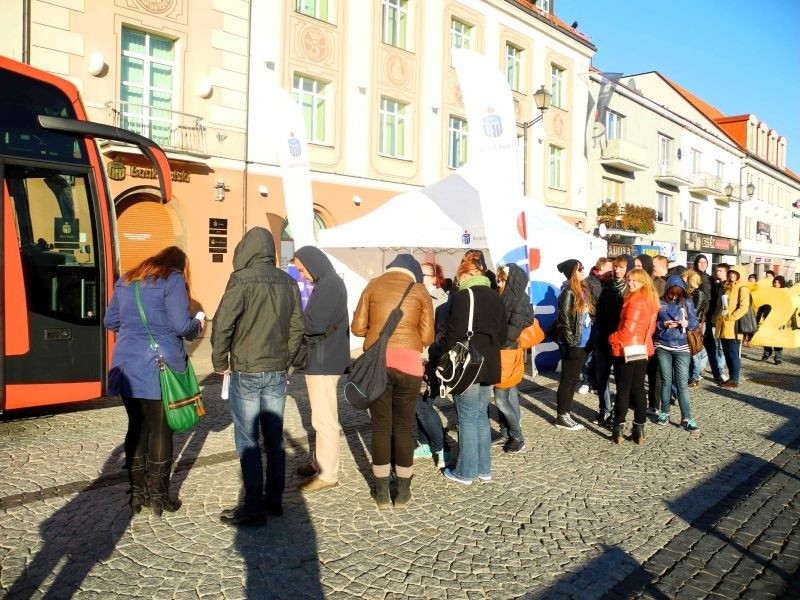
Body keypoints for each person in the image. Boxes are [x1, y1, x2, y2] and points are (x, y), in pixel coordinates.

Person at [211, 227, 304, 525]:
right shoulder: (289, 283)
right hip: (276, 371)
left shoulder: (241, 280)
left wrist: (219, 360)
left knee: (248, 439)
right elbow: (297, 330)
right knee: (273, 438)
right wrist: (286, 364)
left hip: (247, 369)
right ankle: (274, 500)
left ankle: (253, 507)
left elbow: (223, 324)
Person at [104, 246, 203, 517]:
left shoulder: (126, 279)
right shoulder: (172, 280)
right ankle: (159, 498)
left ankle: (137, 495)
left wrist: (133, 332)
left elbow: (109, 321)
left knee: (137, 426)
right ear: (179, 266)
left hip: (126, 363)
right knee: (161, 429)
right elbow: (182, 326)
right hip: (159, 365)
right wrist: (198, 325)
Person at [351, 254, 434, 508]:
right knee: (403, 426)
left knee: (380, 427)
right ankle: (404, 492)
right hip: (409, 366)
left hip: (379, 365)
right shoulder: (420, 291)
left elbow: (357, 328)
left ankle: (382, 492)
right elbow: (428, 336)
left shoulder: (373, 284)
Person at [442, 260, 507, 485]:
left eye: (459, 277)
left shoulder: (464, 296)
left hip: (468, 365)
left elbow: (453, 333)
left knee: (467, 417)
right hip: (490, 364)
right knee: (480, 416)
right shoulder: (496, 296)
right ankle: (484, 469)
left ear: (464, 275)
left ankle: (466, 472)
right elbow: (504, 334)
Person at [291, 246, 350, 493]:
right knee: (320, 417)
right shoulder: (329, 282)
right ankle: (318, 462)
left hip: (324, 361)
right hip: (325, 358)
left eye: (303, 270)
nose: (303, 276)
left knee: (324, 419)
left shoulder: (329, 284)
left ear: (312, 263)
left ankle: (327, 474)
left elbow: (313, 324)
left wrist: (292, 318)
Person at [608, 268, 659, 445]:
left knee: (624, 390)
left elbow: (627, 331)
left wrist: (611, 338)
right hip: (642, 349)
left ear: (643, 282)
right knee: (637, 389)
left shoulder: (636, 301)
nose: (630, 283)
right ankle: (639, 430)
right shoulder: (651, 300)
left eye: (634, 281)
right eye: (629, 280)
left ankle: (618, 429)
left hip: (628, 349)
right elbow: (650, 329)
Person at [493, 263, 535, 451]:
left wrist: (498, 339)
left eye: (502, 279)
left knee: (501, 398)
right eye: (498, 279)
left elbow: (515, 326)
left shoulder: (514, 299)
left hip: (506, 351)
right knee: (510, 395)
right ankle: (506, 433)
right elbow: (529, 319)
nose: (499, 282)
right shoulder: (514, 296)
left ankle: (518, 437)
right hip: (508, 350)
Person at [414, 261, 451, 468]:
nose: (419, 277)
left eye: (423, 274)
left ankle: (442, 447)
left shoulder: (441, 301)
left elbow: (440, 336)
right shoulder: (419, 296)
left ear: (436, 278)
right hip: (417, 357)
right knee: (418, 406)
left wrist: (427, 357)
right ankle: (425, 444)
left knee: (423, 406)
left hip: (430, 360)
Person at [654, 275, 699, 431]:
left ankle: (686, 418)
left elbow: (695, 322)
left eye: (677, 294)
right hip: (663, 345)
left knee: (682, 384)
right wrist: (663, 324)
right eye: (671, 293)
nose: (674, 296)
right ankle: (664, 413)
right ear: (667, 291)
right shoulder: (659, 302)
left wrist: (687, 323)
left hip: (682, 347)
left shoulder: (687, 303)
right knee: (666, 381)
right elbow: (653, 324)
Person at [593, 254, 634, 426]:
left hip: (621, 341)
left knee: (620, 380)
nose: (617, 270)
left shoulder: (630, 289)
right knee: (601, 377)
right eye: (615, 266)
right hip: (604, 338)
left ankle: (617, 414)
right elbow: (599, 311)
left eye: (621, 267)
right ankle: (605, 410)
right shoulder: (607, 285)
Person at [553, 258, 593, 431]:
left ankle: (566, 413)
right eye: (579, 269)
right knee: (568, 380)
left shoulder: (582, 290)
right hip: (574, 343)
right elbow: (565, 321)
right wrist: (571, 344)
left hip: (583, 341)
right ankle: (562, 416)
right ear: (572, 273)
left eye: (583, 267)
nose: (583, 271)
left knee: (573, 378)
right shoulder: (568, 292)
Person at [713, 268, 750, 389]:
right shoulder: (726, 286)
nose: (733, 275)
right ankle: (731, 377)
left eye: (735, 273)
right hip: (723, 324)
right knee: (727, 353)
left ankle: (734, 379)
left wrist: (732, 317)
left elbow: (744, 307)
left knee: (733, 353)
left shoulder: (742, 288)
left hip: (733, 326)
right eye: (731, 273)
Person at [682, 269, 709, 388]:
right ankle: (690, 375)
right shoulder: (689, 292)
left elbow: (695, 311)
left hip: (695, 325)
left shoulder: (698, 293)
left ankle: (695, 375)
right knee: (690, 352)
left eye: (686, 278)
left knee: (695, 351)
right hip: (689, 324)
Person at [704, 263, 729, 384]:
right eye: (716, 271)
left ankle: (719, 371)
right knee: (715, 347)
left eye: (720, 271)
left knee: (721, 348)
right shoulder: (716, 285)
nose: (717, 273)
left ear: (726, 272)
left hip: (722, 319)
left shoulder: (727, 287)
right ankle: (718, 372)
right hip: (712, 319)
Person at [760, 275, 786, 365]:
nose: (776, 284)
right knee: (765, 337)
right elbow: (764, 303)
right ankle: (767, 352)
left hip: (779, 319)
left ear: (782, 283)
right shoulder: (769, 291)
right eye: (775, 282)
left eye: (778, 282)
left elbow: (788, 307)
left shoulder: (785, 293)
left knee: (777, 339)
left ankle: (778, 357)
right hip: (767, 318)